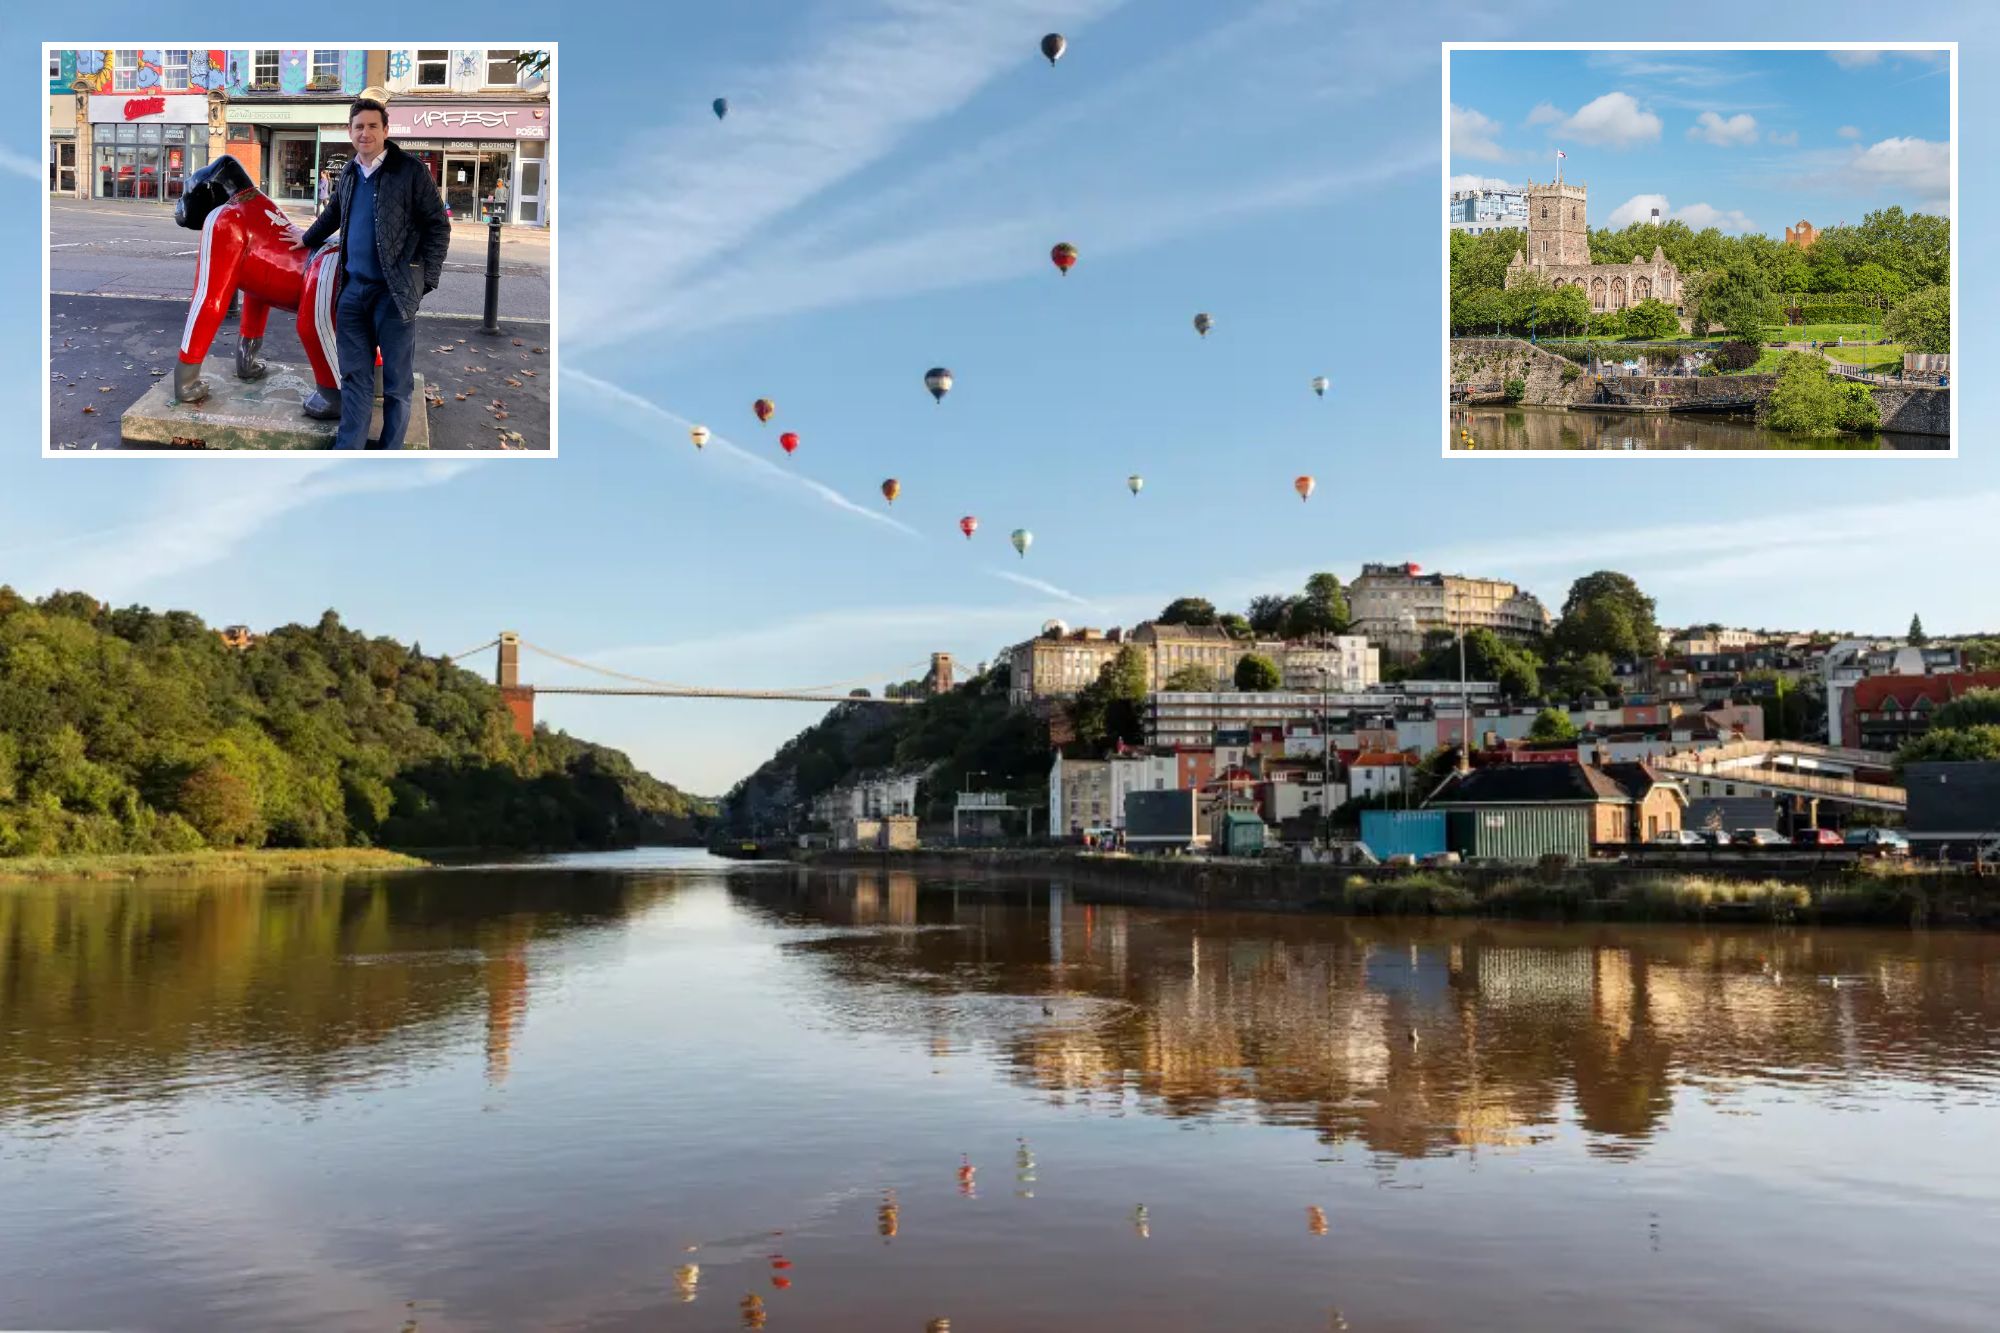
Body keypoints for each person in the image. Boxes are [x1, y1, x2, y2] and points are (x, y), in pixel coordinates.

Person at [291, 97, 449, 450]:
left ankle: (389, 452)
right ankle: (349, 450)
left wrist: (426, 279)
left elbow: (438, 226)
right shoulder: (349, 172)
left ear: (386, 130)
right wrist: (304, 238)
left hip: (394, 294)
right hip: (353, 293)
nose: (365, 133)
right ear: (350, 132)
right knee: (355, 378)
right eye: (359, 126)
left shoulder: (409, 171)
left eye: (372, 126)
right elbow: (333, 214)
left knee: (396, 384)